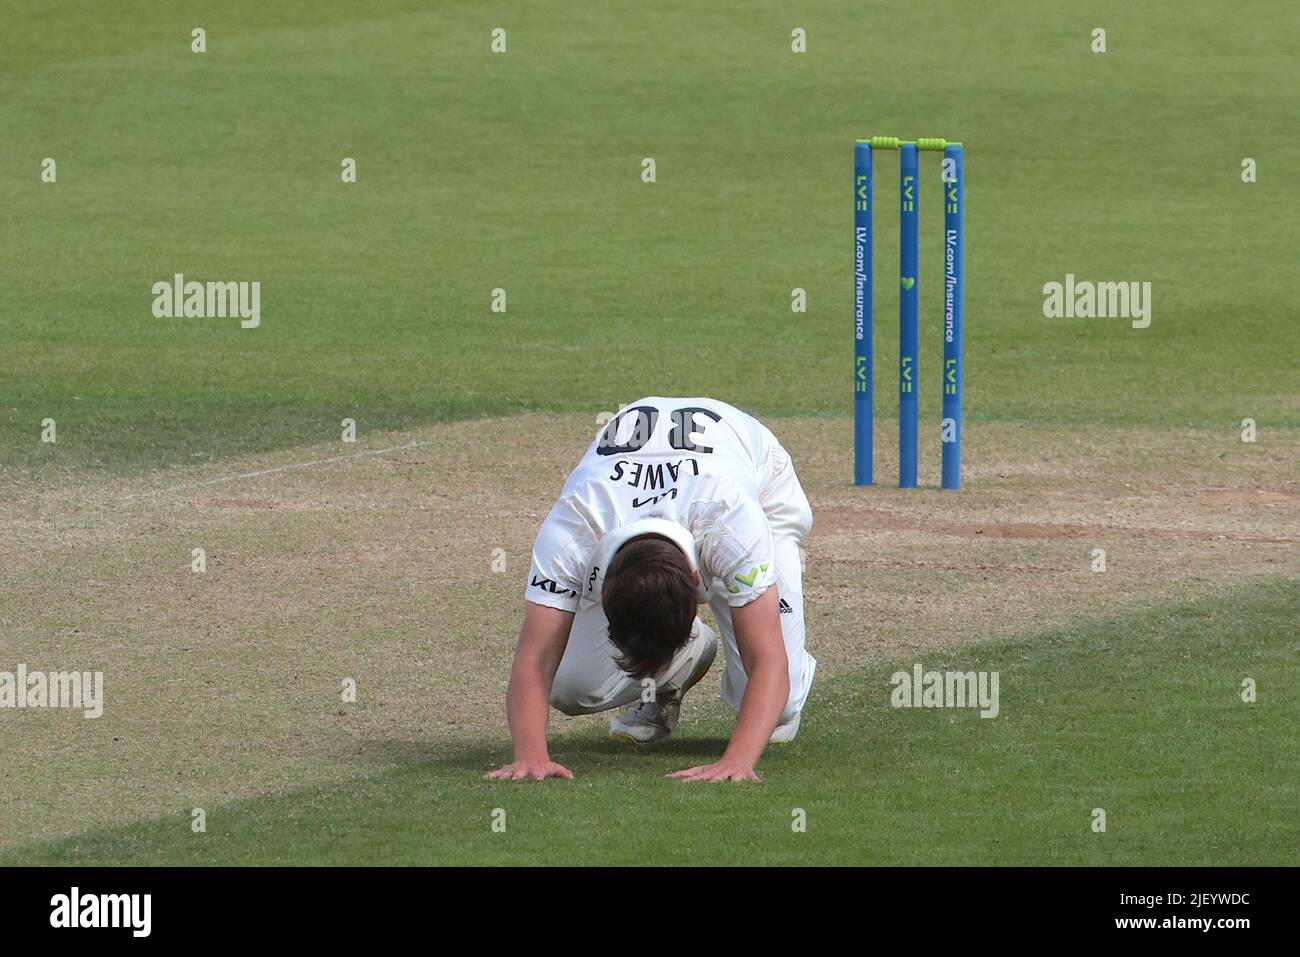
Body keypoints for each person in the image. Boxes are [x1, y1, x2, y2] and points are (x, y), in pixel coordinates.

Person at [485, 397, 815, 783]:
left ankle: (677, 654)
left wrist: (738, 761)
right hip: (655, 494)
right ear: (601, 588)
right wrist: (530, 756)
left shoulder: (731, 524)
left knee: (780, 706)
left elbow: (769, 662)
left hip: (759, 482)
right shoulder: (574, 528)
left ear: (697, 584)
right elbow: (534, 660)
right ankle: (679, 664)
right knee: (570, 687)